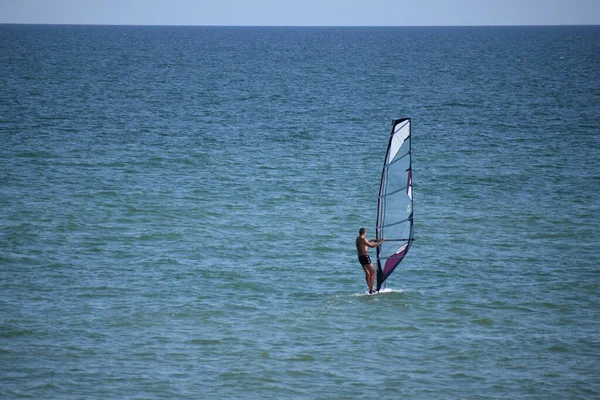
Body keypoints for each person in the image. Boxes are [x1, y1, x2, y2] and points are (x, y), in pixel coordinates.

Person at [356, 227, 385, 294]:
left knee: (368, 273)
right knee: (373, 272)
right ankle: (372, 289)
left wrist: (371, 240)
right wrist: (380, 241)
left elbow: (365, 244)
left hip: (360, 257)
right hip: (365, 257)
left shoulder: (358, 239)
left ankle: (370, 289)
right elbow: (372, 246)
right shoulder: (363, 239)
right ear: (364, 232)